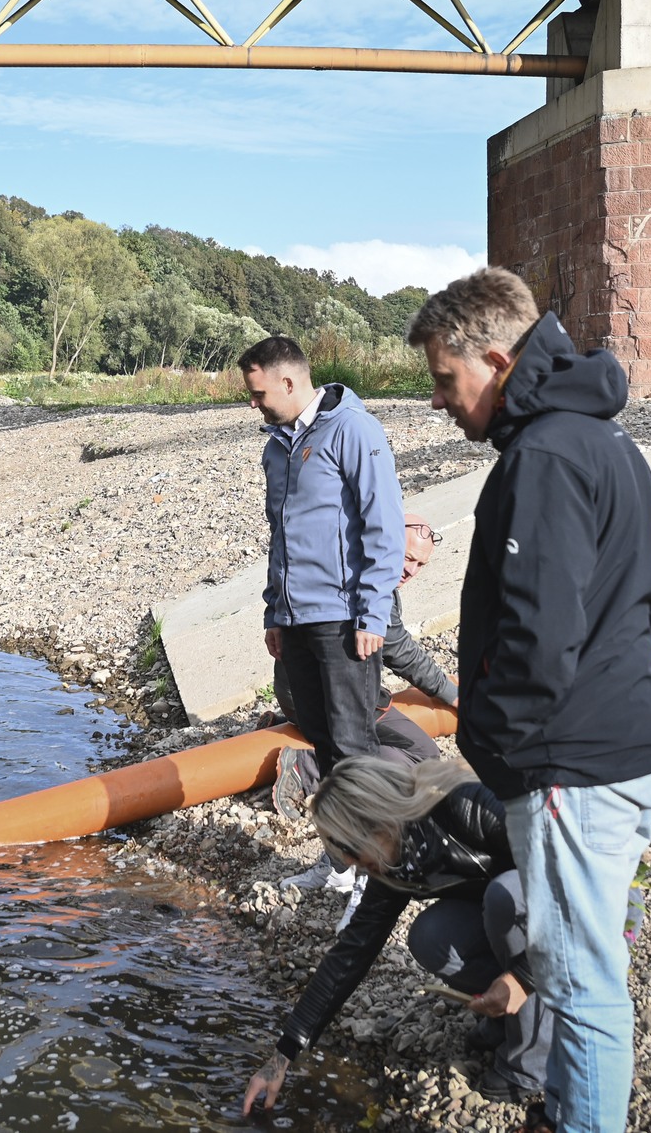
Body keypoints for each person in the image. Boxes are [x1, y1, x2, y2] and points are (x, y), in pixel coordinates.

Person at [405, 268, 651, 1133]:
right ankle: (564, 1108)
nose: (439, 400)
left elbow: (537, 637)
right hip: (623, 745)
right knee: (581, 968)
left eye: (444, 378)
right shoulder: (599, 439)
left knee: (581, 984)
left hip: (574, 761)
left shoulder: (545, 457)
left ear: (494, 359)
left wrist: (493, 743)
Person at [240, 757, 553, 1117]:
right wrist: (283, 1055)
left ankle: (530, 1062)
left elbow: (566, 883)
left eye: (351, 850)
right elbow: (351, 951)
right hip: (516, 922)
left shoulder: (466, 804)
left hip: (573, 915)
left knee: (504, 897)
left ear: (378, 822)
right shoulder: (396, 859)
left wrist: (523, 978)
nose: (352, 864)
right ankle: (514, 1014)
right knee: (430, 936)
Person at [240, 334, 407, 900]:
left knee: (354, 748)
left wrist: (373, 615)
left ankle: (377, 876)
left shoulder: (354, 430)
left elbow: (384, 526)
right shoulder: (275, 447)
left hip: (344, 621)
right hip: (295, 620)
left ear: (289, 381)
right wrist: (274, 611)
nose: (253, 404)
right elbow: (279, 536)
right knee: (325, 744)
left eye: (259, 393)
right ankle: (341, 862)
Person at [271, 515, 456, 818]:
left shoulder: (340, 559)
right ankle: (307, 768)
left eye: (420, 564)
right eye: (408, 557)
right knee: (423, 756)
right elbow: (401, 652)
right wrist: (453, 694)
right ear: (387, 542)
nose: (411, 570)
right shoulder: (371, 586)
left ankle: (286, 726)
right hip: (333, 696)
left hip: (299, 691)